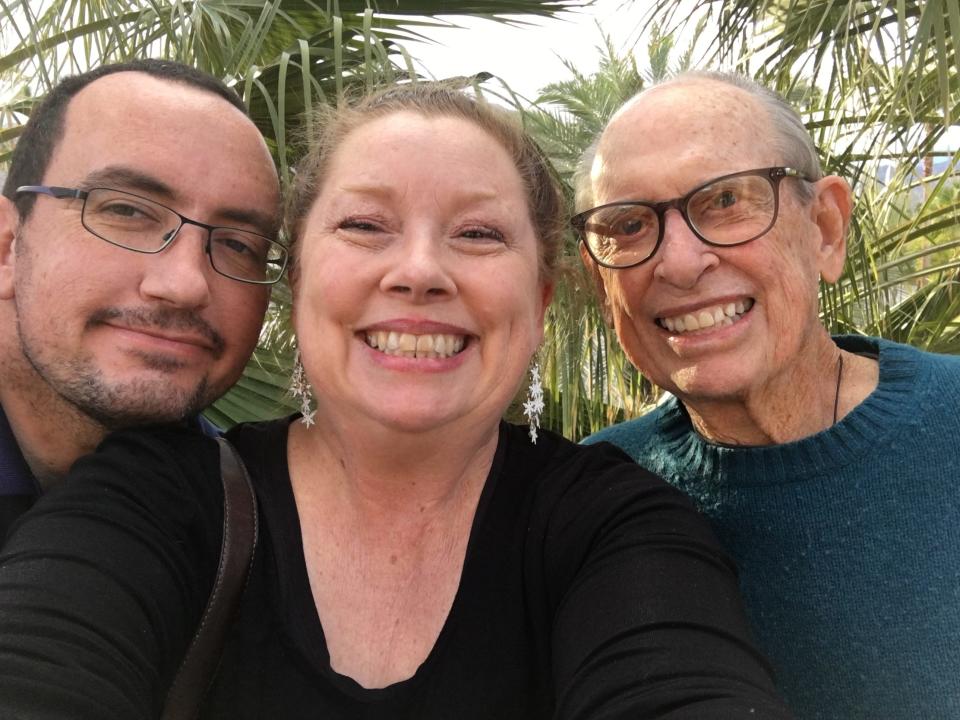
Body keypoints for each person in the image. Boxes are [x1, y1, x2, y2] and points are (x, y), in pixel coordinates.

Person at [0, 82, 794, 719]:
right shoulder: (159, 494)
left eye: (479, 234)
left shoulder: (615, 525)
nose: (419, 271)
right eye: (365, 224)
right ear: (298, 280)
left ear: (541, 297)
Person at [577, 71, 960, 719]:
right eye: (630, 224)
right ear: (600, 282)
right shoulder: (587, 502)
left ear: (826, 229)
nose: (678, 262)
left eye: (726, 200)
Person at [0, 59, 285, 537]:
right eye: (127, 210)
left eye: (239, 244)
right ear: (8, 245)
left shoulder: (249, 526)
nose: (186, 285)